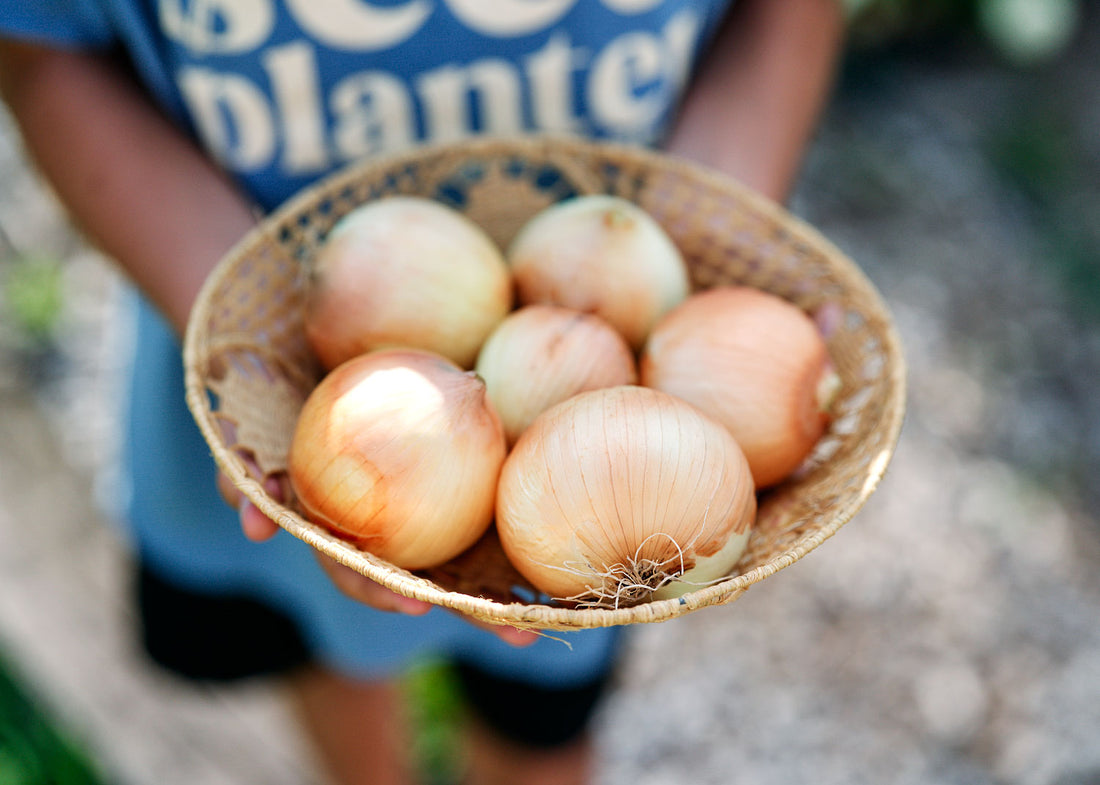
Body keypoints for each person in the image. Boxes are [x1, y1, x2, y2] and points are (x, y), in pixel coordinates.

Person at [0, 2, 845, 783]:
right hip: (254, 324)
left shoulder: (622, 477)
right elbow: (39, 46)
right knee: (318, 635)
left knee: (543, 705)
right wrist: (241, 324)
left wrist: (710, 223)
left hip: (564, 488)